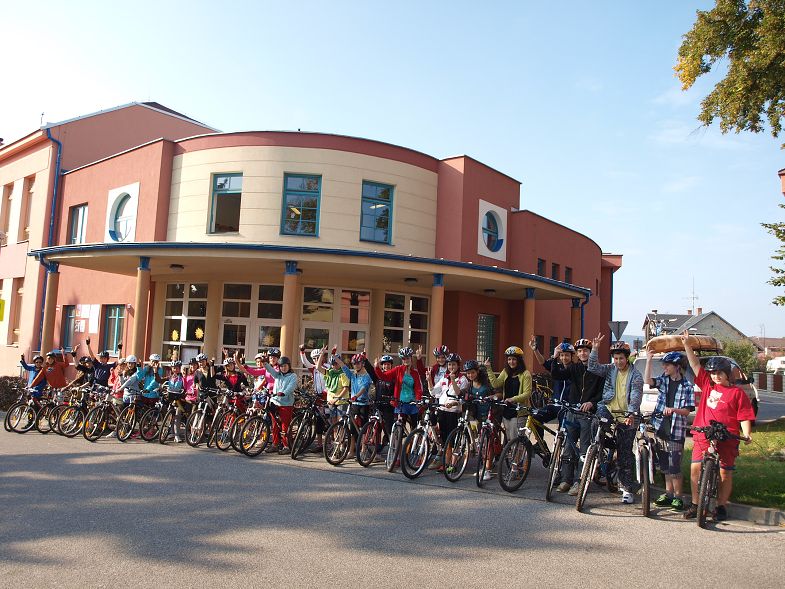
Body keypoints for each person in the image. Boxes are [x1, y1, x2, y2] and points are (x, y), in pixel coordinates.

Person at [681, 333, 754, 521]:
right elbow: (695, 365)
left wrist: (747, 434)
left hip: (727, 436)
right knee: (695, 468)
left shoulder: (737, 393)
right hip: (703, 432)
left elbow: (744, 416)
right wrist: (688, 346)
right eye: (713, 373)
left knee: (725, 472)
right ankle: (696, 504)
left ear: (727, 374)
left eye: (719, 373)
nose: (716, 376)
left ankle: (721, 506)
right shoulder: (707, 385)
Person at [588, 334, 643, 504]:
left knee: (624, 454)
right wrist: (595, 349)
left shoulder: (636, 375)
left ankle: (626, 489)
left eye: (621, 358)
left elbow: (635, 396)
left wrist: (631, 413)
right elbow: (592, 367)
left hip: (627, 415)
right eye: (616, 358)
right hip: (609, 409)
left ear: (627, 358)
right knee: (597, 421)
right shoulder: (611, 369)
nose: (618, 361)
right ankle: (597, 451)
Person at [548, 338, 605, 495]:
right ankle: (566, 480)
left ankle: (580, 482)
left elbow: (602, 393)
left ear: (590, 352)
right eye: (579, 351)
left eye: (585, 350)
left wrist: (592, 403)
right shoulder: (574, 368)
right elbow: (556, 375)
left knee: (584, 450)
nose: (582, 353)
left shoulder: (598, 370)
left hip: (588, 415)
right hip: (572, 412)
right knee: (568, 447)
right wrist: (555, 357)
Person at [644, 349, 694, 512]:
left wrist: (673, 410)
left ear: (677, 366)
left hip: (676, 430)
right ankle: (668, 494)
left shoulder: (687, 386)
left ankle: (678, 497)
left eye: (667, 365)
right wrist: (649, 360)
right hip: (661, 428)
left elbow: (687, 411)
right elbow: (648, 381)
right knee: (665, 465)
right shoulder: (664, 381)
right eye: (664, 364)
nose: (664, 367)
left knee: (675, 466)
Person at [484, 346, 532, 481]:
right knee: (510, 440)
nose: (511, 362)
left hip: (520, 412)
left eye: (514, 359)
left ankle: (515, 469)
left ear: (519, 360)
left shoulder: (526, 374)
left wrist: (513, 399)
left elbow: (527, 393)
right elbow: (495, 384)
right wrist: (488, 368)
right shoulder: (506, 372)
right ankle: (515, 466)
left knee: (517, 442)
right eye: (509, 359)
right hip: (507, 411)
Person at [428, 353, 468, 471]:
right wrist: (429, 380)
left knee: (453, 439)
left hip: (454, 412)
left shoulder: (463, 379)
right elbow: (433, 392)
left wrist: (453, 380)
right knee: (445, 439)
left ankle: (452, 464)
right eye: (449, 364)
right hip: (442, 410)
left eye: (453, 364)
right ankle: (446, 463)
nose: (451, 367)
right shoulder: (444, 378)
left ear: (458, 365)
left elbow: (458, 394)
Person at [375, 347, 423, 431]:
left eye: (407, 358)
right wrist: (377, 368)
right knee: (399, 428)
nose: (406, 360)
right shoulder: (398, 369)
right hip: (400, 403)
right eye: (404, 359)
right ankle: (398, 439)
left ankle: (413, 439)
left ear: (411, 358)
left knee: (414, 429)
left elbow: (418, 388)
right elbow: (384, 377)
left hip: (412, 403)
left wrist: (418, 400)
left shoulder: (415, 373)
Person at [336, 353, 373, 458]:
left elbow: (364, 388)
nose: (356, 365)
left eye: (358, 363)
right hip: (354, 404)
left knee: (363, 430)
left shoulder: (367, 376)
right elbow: (343, 367)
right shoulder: (353, 375)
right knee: (352, 430)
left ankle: (363, 450)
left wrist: (356, 396)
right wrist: (334, 356)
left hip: (363, 404)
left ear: (362, 364)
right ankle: (351, 451)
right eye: (354, 364)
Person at [263, 355, 298, 454]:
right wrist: (265, 363)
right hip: (275, 402)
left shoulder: (293, 376)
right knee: (274, 425)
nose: (283, 368)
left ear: (289, 366)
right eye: (281, 366)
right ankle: (275, 444)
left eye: (285, 366)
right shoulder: (278, 375)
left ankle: (286, 446)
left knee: (284, 426)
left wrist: (283, 393)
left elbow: (291, 387)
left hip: (286, 404)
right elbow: (270, 370)